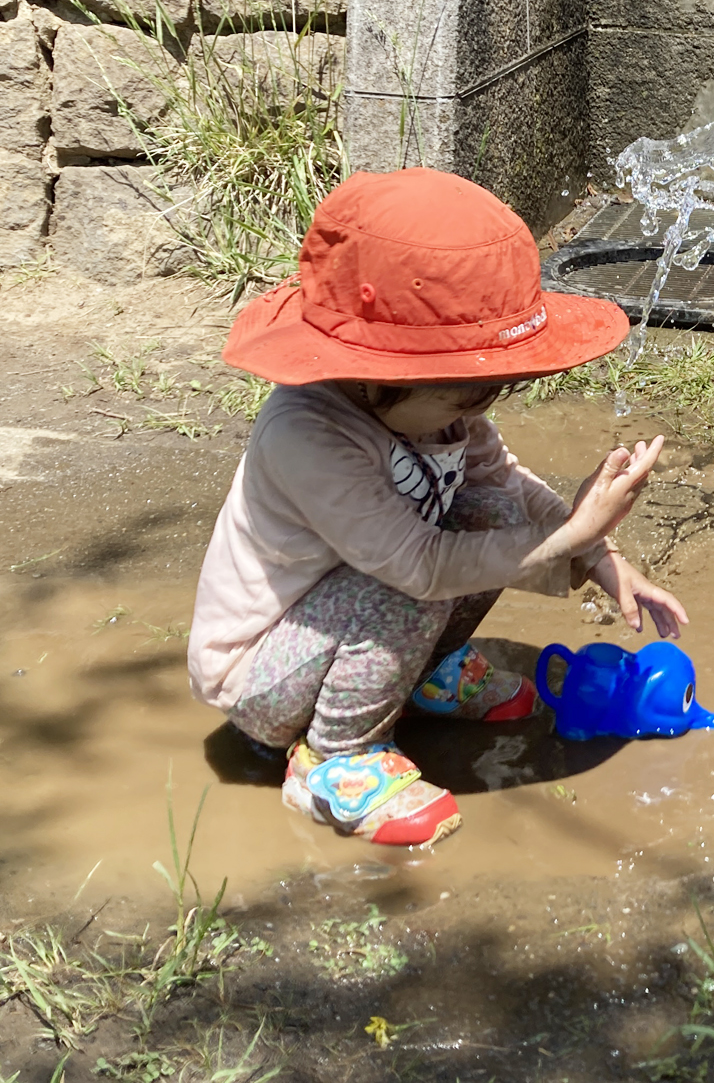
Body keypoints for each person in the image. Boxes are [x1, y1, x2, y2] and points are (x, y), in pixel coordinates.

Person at [187, 168, 687, 847]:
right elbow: (417, 566)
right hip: (262, 674)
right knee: (422, 570)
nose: (475, 415)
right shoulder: (308, 435)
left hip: (352, 615)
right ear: (384, 374)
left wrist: (600, 554)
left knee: (492, 512)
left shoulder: (440, 412)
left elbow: (504, 484)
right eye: (465, 398)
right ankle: (333, 759)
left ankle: (418, 675)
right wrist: (569, 535)